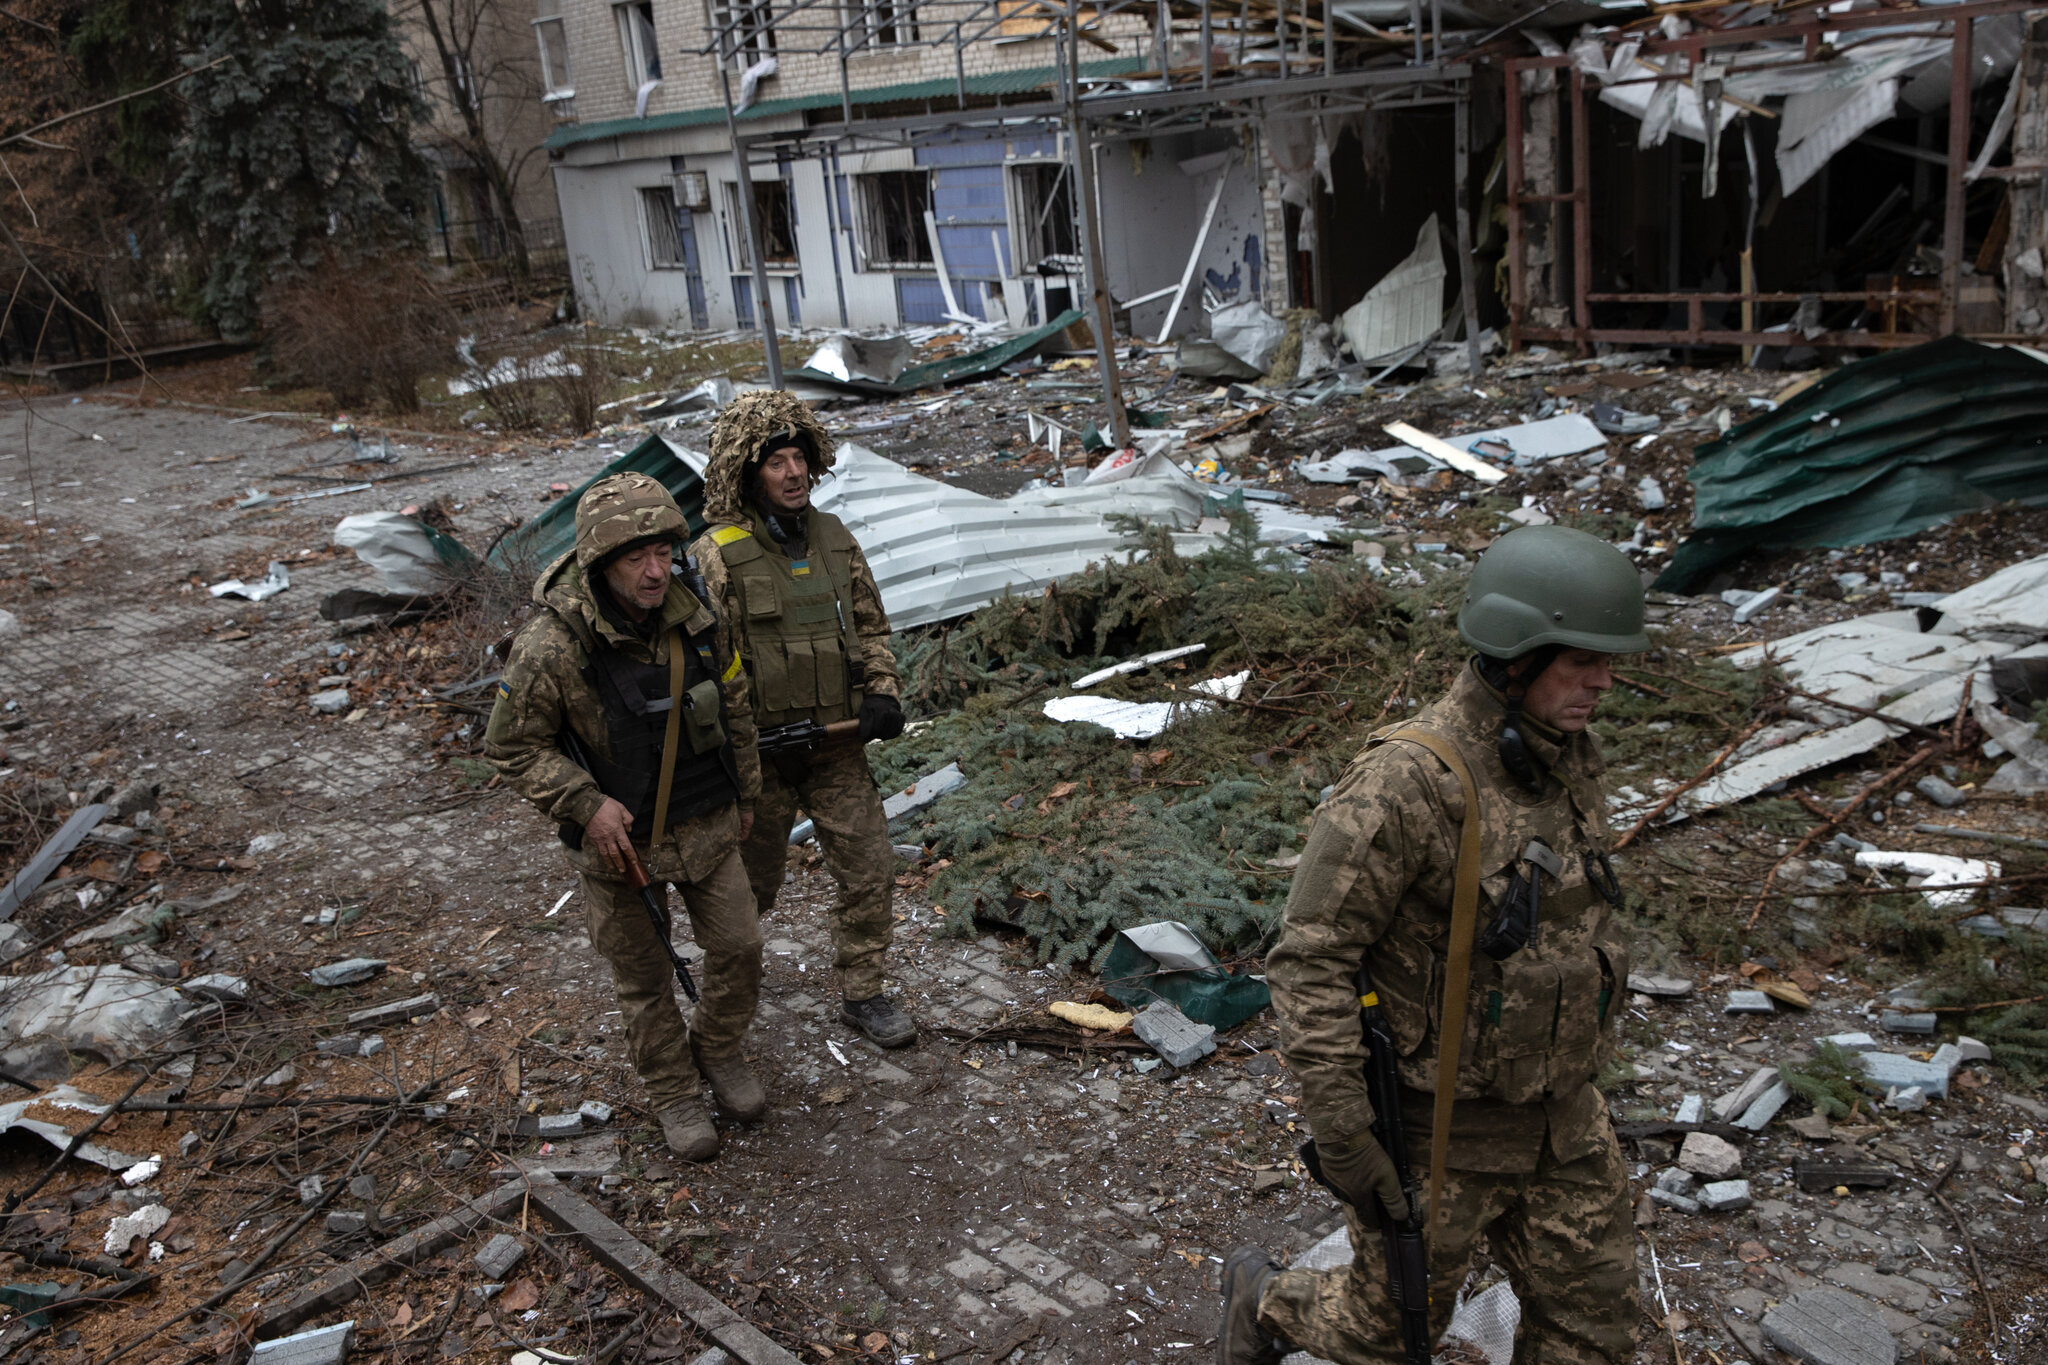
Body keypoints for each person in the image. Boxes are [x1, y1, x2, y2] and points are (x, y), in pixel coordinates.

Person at [1219, 525, 1648, 1365]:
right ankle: (1263, 1301)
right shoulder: (1407, 781)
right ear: (1515, 655)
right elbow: (1311, 957)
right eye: (1581, 659)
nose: (1604, 679)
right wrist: (1345, 1133)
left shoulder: (1566, 755)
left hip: (1564, 1121)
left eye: (1608, 660)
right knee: (1378, 1332)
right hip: (1441, 1133)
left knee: (1594, 1334)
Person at [486, 473, 766, 1162]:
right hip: (620, 846)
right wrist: (585, 804)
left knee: (741, 947)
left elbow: (733, 702)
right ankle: (673, 1090)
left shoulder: (695, 610)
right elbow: (510, 745)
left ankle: (717, 1048)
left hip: (705, 820)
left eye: (664, 552)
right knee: (643, 981)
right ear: (599, 561)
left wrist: (749, 794)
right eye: (636, 557)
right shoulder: (553, 645)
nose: (655, 570)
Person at [692, 391, 916, 1049]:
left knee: (870, 868)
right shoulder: (718, 553)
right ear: (747, 472)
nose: (792, 473)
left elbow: (871, 626)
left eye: (799, 458)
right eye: (775, 461)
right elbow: (710, 663)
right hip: (759, 756)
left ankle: (863, 991)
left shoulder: (834, 537)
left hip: (836, 747)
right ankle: (723, 1013)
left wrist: (882, 691)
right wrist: (732, 752)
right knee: (748, 893)